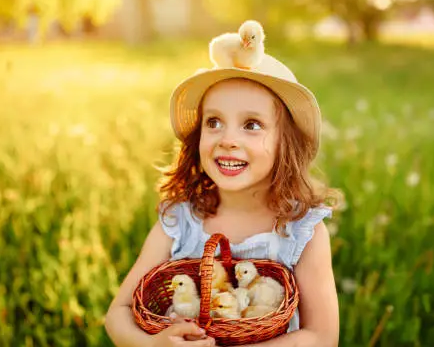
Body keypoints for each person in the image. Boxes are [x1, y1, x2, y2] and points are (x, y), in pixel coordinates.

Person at [105, 32, 341, 347]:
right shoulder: (181, 221)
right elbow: (117, 314)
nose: (227, 139)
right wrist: (155, 344)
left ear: (286, 143)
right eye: (214, 122)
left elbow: (323, 336)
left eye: (252, 125)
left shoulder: (300, 231)